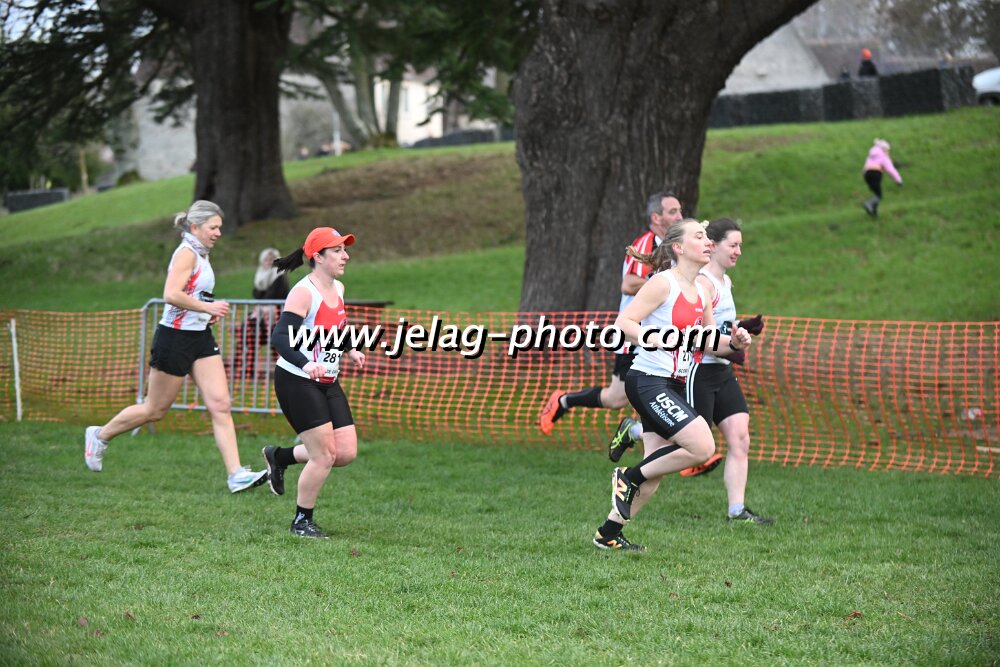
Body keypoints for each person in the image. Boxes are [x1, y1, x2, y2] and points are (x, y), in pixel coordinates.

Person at [84, 200, 269, 493]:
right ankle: (100, 435)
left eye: (219, 227)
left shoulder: (201, 253)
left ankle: (236, 475)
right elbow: (171, 294)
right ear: (195, 227)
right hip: (174, 338)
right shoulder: (186, 253)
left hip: (200, 338)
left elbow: (194, 293)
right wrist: (207, 308)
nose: (218, 233)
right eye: (213, 227)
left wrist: (205, 312)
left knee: (220, 404)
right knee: (155, 409)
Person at [591, 219, 753, 551]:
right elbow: (624, 323)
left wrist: (735, 343)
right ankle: (627, 477)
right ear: (679, 247)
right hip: (648, 381)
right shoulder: (662, 283)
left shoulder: (703, 292)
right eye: (700, 237)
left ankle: (608, 533)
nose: (708, 242)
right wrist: (654, 338)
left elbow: (709, 342)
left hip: (674, 384)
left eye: (708, 237)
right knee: (703, 447)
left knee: (655, 472)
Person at [538, 192, 683, 443]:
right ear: (656, 217)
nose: (680, 216)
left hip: (659, 333)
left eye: (680, 210)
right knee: (618, 397)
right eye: (673, 212)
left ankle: (679, 443)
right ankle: (564, 401)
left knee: (662, 386)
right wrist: (667, 285)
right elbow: (628, 284)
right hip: (634, 333)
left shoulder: (675, 247)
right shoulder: (646, 244)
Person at [262, 227, 366, 539]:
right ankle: (301, 521)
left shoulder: (339, 288)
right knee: (324, 456)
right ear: (318, 257)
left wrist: (350, 349)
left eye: (344, 249)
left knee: (344, 452)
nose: (345, 256)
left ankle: (280, 457)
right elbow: (281, 337)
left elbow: (336, 327)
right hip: (298, 381)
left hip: (328, 380)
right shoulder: (303, 292)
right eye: (337, 250)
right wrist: (306, 364)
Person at [687, 218, 771, 523]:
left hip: (722, 372)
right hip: (698, 372)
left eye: (740, 246)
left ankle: (737, 510)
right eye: (733, 245)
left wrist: (741, 328)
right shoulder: (703, 284)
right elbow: (701, 338)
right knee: (687, 443)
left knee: (740, 439)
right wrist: (733, 344)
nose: (738, 251)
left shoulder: (725, 282)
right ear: (714, 245)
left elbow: (720, 326)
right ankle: (634, 430)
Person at [862, 138, 902, 217]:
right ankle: (868, 204)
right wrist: (898, 180)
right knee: (879, 195)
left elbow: (865, 167)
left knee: (876, 193)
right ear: (884, 149)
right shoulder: (884, 156)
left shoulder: (870, 156)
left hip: (867, 174)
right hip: (876, 174)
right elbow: (891, 169)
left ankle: (873, 212)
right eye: (887, 150)